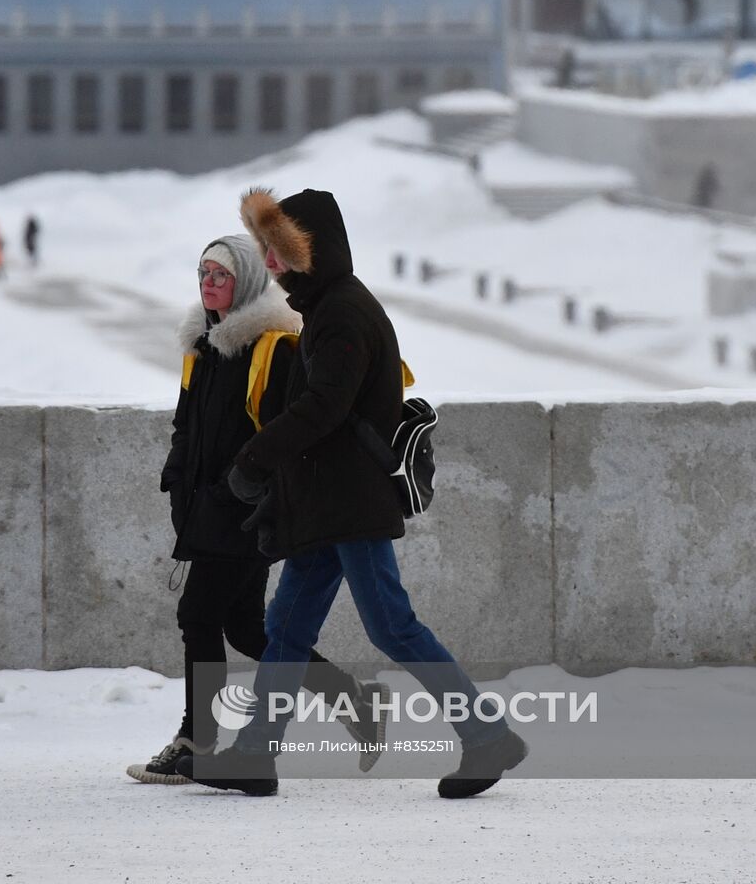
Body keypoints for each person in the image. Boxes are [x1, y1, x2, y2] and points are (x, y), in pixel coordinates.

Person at [177, 188, 528, 799]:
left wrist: (255, 459)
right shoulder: (327, 309)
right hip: (325, 502)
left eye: (280, 250)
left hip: (351, 504)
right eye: (268, 250)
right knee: (285, 627)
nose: (272, 262)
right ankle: (254, 757)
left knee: (393, 627)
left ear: (311, 251)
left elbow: (323, 408)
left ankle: (487, 735)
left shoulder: (343, 313)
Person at [126, 233, 386, 787]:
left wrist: (238, 488)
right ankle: (352, 698)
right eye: (202, 274)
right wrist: (177, 476)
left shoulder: (272, 347)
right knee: (245, 627)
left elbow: (284, 431)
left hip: (246, 508)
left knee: (197, 614)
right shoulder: (202, 344)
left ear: (244, 279)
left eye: (220, 274)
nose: (208, 284)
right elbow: (185, 425)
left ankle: (196, 740)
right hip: (206, 509)